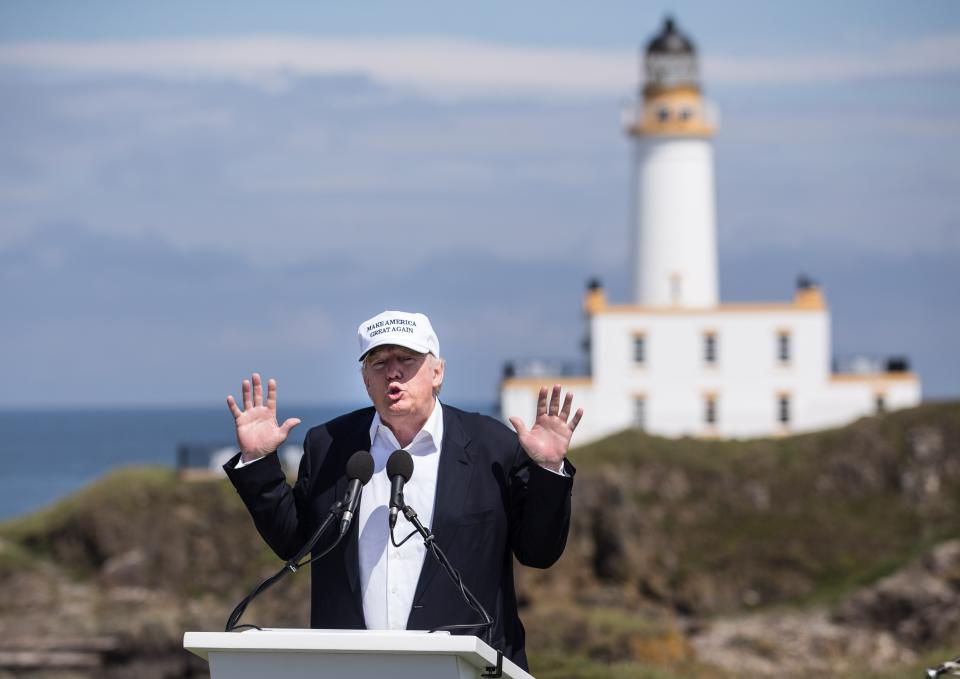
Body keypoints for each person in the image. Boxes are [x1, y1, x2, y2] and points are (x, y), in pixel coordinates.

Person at [223, 310, 583, 670]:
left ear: (437, 372)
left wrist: (549, 469)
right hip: (352, 669)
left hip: (465, 668)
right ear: (365, 380)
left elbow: (539, 552)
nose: (392, 372)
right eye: (378, 362)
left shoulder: (492, 446)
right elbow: (294, 542)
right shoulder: (330, 445)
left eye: (406, 360)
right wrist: (258, 460)